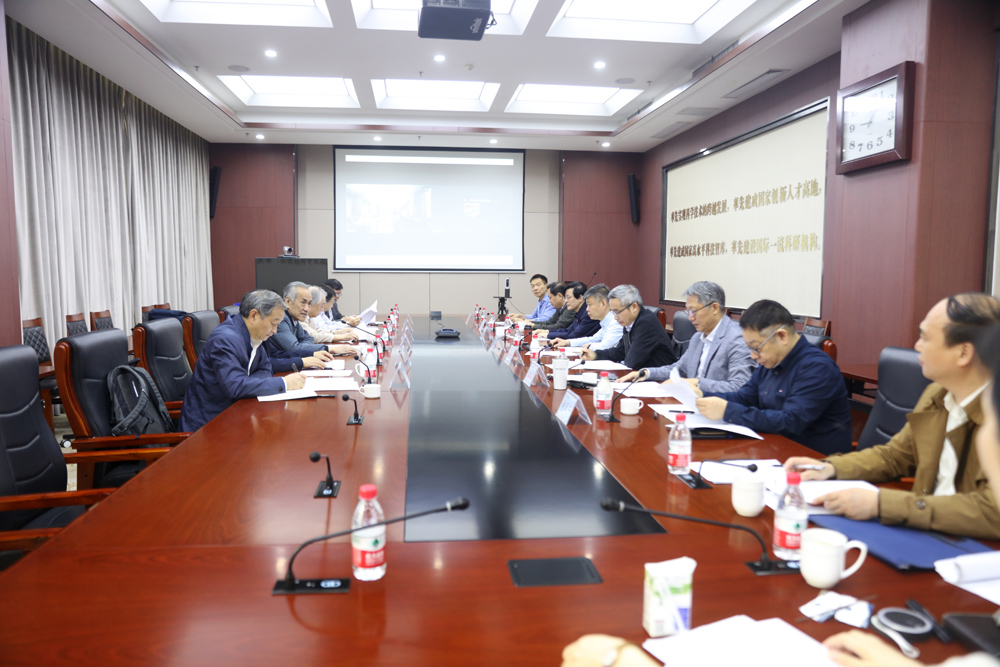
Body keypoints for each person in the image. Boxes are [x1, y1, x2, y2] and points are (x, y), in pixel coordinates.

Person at [784, 293, 1000, 539]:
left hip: (975, 547)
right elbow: (895, 455)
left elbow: (993, 510)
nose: (917, 346)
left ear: (963, 353)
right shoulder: (937, 394)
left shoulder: (994, 415)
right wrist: (830, 468)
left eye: (925, 337)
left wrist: (882, 504)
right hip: (924, 531)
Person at [694, 299, 851, 455]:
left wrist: (728, 411)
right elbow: (744, 398)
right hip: (773, 448)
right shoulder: (771, 360)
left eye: (757, 348)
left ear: (781, 336)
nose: (753, 356)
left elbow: (790, 422)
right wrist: (701, 395)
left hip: (813, 459)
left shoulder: (817, 368)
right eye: (750, 348)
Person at [179, 290, 306, 433]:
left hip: (236, 413)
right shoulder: (225, 339)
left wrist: (248, 383)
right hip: (208, 426)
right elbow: (236, 386)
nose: (275, 331)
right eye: (273, 323)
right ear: (253, 316)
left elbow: (266, 368)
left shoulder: (253, 333)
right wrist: (284, 383)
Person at [619, 281, 753, 393]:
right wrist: (646, 373)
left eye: (693, 311)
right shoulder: (697, 338)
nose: (690, 318)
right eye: (687, 311)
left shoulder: (738, 339)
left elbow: (740, 387)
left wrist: (696, 383)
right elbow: (678, 370)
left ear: (714, 308)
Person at [581, 284, 678, 370]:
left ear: (634, 307)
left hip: (660, 379)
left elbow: (632, 361)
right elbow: (620, 351)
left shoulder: (646, 323)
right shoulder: (629, 321)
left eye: (617, 312)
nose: (615, 317)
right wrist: (596, 355)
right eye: (613, 312)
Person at [266, 282, 355, 360]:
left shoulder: (294, 318)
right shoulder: (281, 319)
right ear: (288, 301)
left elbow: (309, 338)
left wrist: (301, 345)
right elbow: (294, 348)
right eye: (303, 302)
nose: (307, 309)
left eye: (309, 304)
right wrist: (329, 349)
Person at [548, 283, 623, 351]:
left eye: (590, 305)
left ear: (603, 304)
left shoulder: (616, 322)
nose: (587, 309)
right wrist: (568, 342)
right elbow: (593, 339)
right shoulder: (605, 322)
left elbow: (605, 346)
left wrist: (587, 347)